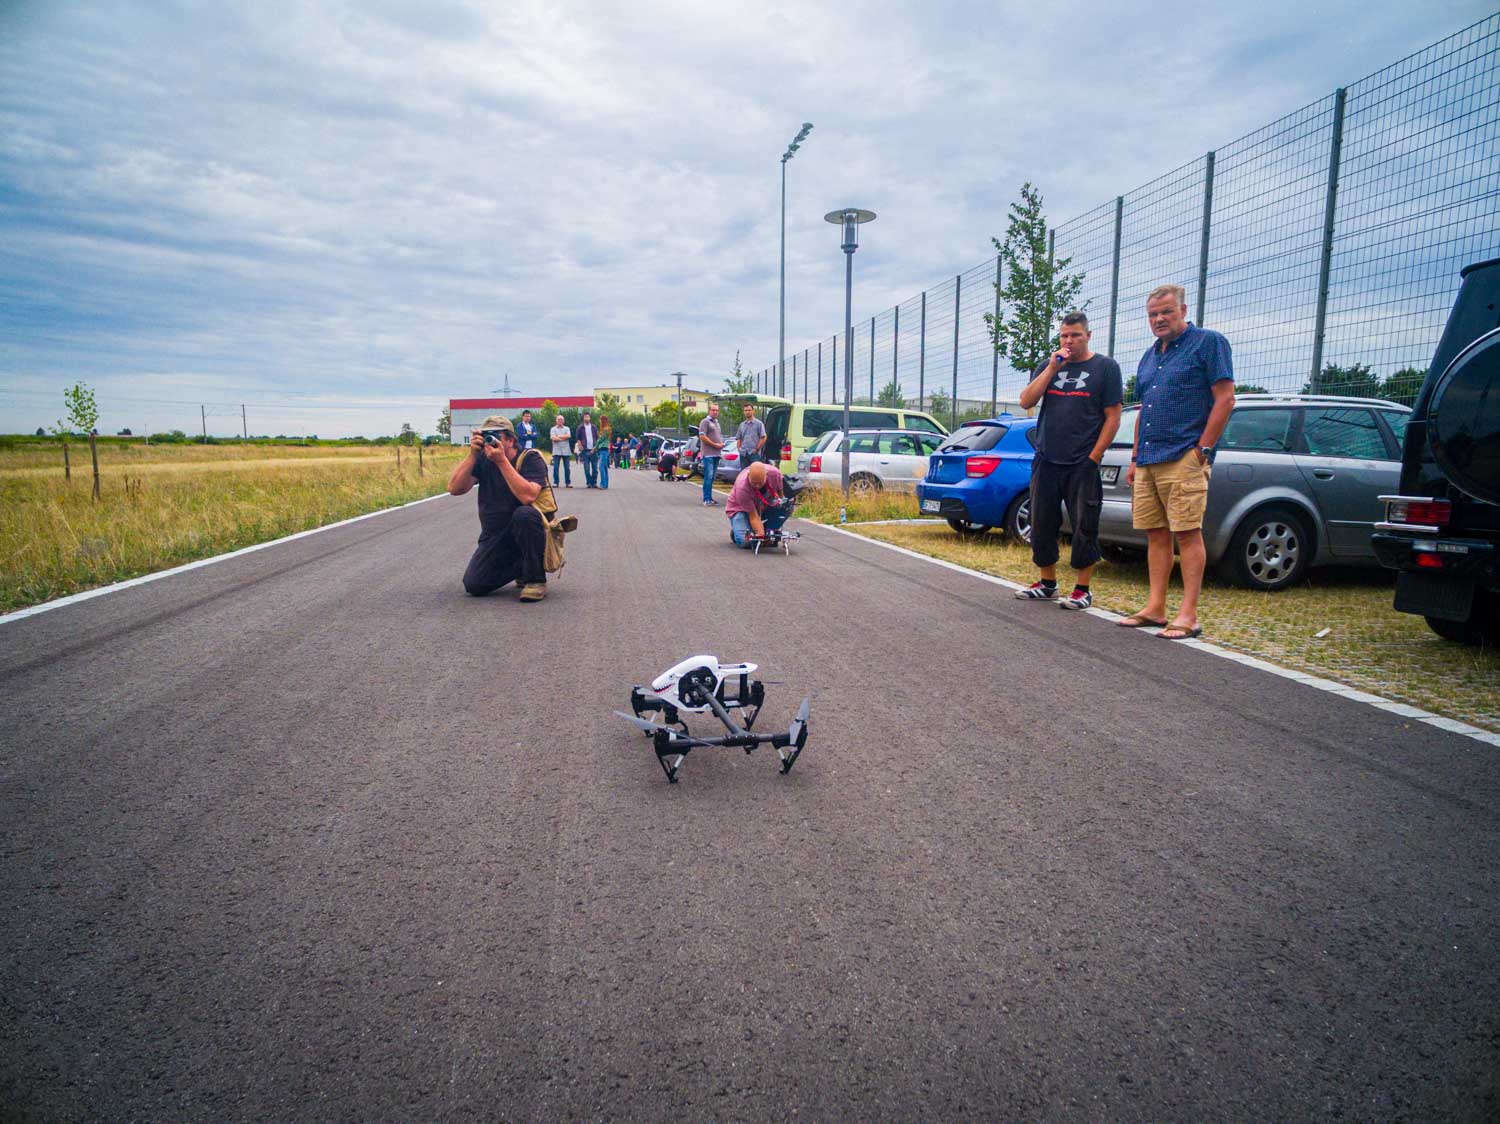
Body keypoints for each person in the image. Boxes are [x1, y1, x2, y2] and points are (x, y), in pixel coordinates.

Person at [1118, 284, 1236, 640]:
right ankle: (1155, 607)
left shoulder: (1208, 343)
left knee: (1186, 533)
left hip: (1184, 454)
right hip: (1150, 457)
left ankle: (1189, 615)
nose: (1159, 320)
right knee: (1156, 534)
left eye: (1166, 312)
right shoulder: (1150, 355)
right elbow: (1143, 410)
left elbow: (1226, 398)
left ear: (1183, 310)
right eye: (1153, 314)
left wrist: (1202, 450)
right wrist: (1136, 457)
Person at [1013, 311, 1123, 610]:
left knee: (1085, 523)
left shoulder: (1106, 368)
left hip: (1082, 462)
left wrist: (1094, 456)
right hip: (1047, 459)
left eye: (1075, 335)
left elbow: (1113, 417)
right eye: (1064, 335)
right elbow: (1026, 401)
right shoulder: (1048, 366)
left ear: (1088, 335)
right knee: (1041, 522)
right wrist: (1051, 368)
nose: (1069, 341)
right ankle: (1047, 583)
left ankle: (1083, 589)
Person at [449, 415, 551, 602]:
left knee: (525, 514)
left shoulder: (530, 458)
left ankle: (535, 579)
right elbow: (455, 489)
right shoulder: (482, 459)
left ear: (510, 440)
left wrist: (502, 462)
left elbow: (528, 496)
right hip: (494, 535)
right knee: (474, 584)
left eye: (495, 436)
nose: (490, 441)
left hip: (528, 531)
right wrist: (472, 455)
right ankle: (521, 565)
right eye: (485, 435)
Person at [725, 461, 790, 548]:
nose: (757, 486)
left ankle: (767, 530)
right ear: (748, 476)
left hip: (763, 504)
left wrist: (781, 508)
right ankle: (738, 531)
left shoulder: (775, 474)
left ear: (766, 475)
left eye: (760, 482)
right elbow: (753, 516)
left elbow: (781, 497)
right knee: (747, 543)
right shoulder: (742, 487)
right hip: (739, 509)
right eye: (754, 483)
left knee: (786, 507)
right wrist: (761, 537)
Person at [698, 401, 724, 506]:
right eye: (713, 410)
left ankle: (710, 498)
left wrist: (721, 443)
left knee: (712, 477)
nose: (715, 412)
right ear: (709, 410)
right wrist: (715, 445)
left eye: (717, 410)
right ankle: (706, 499)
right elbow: (702, 436)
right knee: (708, 476)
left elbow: (717, 435)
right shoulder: (705, 422)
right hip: (708, 454)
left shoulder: (716, 422)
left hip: (717, 454)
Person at [736, 402, 767, 468]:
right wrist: (739, 449)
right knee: (744, 474)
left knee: (755, 474)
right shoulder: (742, 425)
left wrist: (757, 449)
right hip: (743, 454)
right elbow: (739, 438)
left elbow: (763, 437)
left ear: (753, 411)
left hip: (754, 454)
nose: (747, 412)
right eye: (746, 410)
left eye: (749, 410)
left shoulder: (759, 424)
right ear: (744, 412)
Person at [575, 411, 599, 488]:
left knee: (595, 468)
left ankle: (594, 482)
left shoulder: (594, 427)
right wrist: (579, 444)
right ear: (583, 418)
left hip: (594, 450)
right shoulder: (580, 427)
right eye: (585, 417)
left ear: (590, 418)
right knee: (586, 468)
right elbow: (578, 438)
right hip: (585, 450)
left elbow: (598, 438)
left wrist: (595, 448)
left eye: (588, 417)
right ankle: (589, 482)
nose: (586, 418)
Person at [550, 414, 573, 488]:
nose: (560, 421)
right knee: (555, 468)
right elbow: (553, 438)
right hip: (556, 451)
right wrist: (563, 438)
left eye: (561, 419)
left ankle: (568, 483)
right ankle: (556, 482)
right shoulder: (553, 429)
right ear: (556, 420)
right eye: (558, 419)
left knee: (567, 468)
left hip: (566, 450)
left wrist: (558, 437)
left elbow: (569, 436)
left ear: (564, 421)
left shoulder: (567, 428)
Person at [596, 414, 612, 489]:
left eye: (600, 420)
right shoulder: (606, 429)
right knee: (604, 467)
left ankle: (603, 484)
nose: (600, 422)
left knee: (601, 466)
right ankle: (605, 484)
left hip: (603, 449)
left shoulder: (606, 429)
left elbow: (600, 440)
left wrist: (594, 448)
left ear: (603, 420)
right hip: (604, 449)